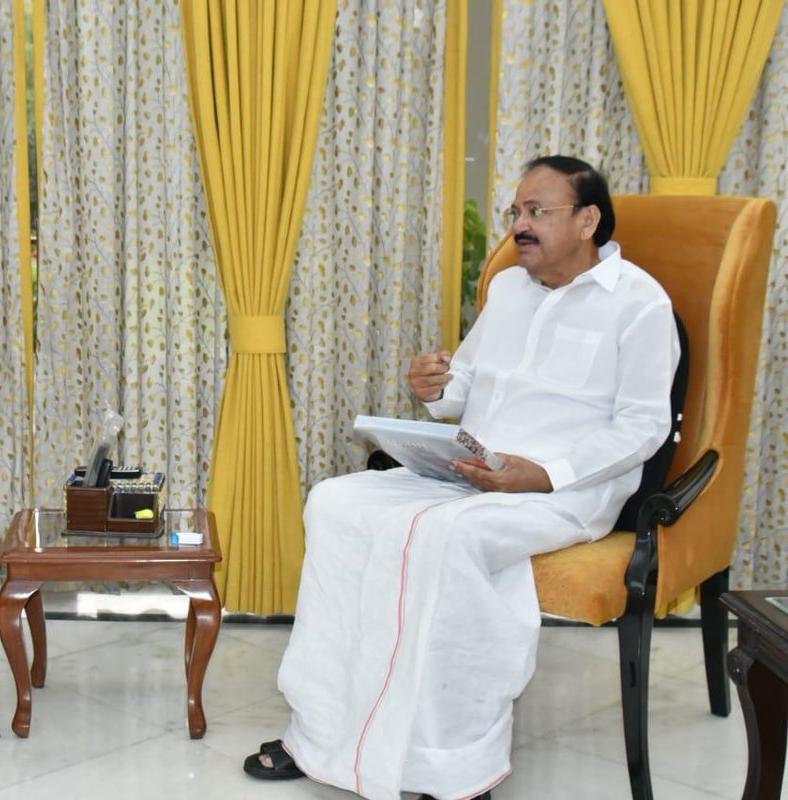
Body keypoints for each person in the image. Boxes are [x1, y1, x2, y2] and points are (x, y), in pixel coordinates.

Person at [244, 156, 679, 799]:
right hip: (470, 470)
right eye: (516, 212)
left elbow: (642, 427)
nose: (519, 226)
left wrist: (544, 473)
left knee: (443, 540)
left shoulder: (640, 304)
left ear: (588, 220)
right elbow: (467, 387)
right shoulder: (508, 288)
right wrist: (437, 390)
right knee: (335, 502)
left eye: (537, 212)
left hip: (563, 493)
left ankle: (454, 765)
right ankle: (320, 731)